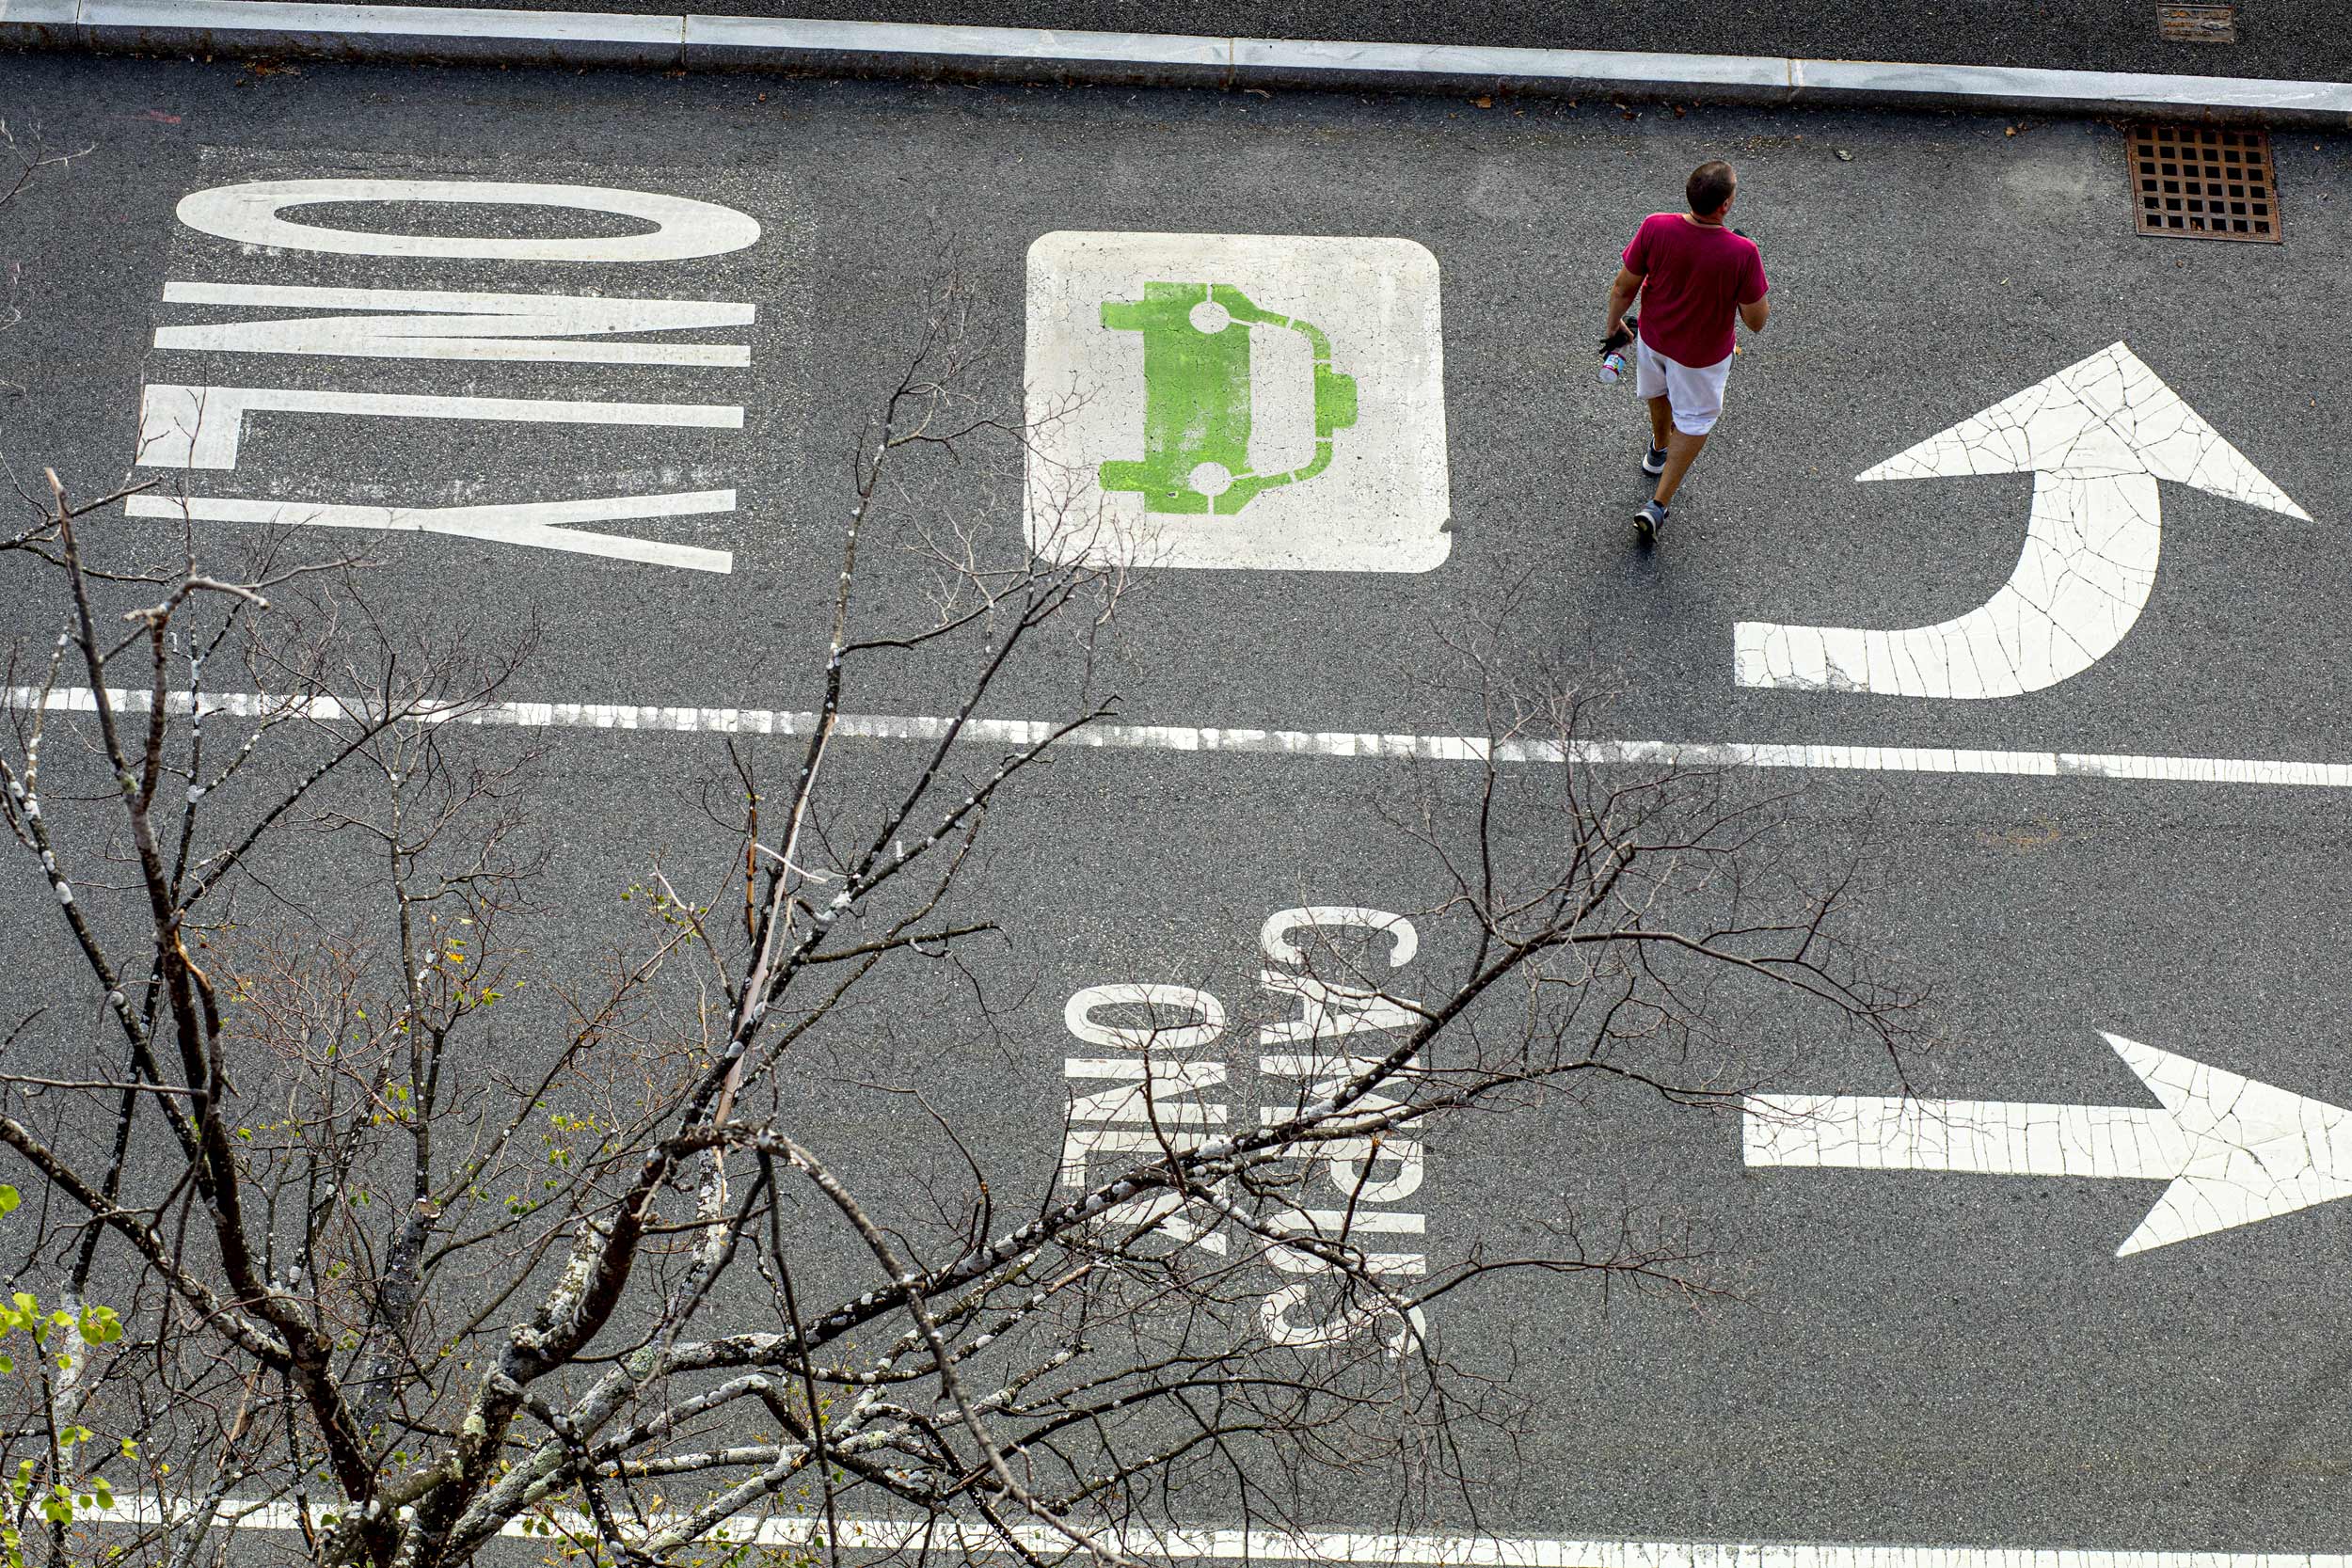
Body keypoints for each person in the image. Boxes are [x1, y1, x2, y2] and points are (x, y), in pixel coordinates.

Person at [1600, 160, 1771, 543]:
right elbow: (1756, 321)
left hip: (1654, 340)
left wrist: (1615, 327)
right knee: (1694, 422)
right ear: (1725, 205)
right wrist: (1745, 272)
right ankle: (1657, 506)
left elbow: (1622, 288)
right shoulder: (1742, 252)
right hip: (1701, 359)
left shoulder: (1655, 226)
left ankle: (1658, 449)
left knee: (1658, 393)